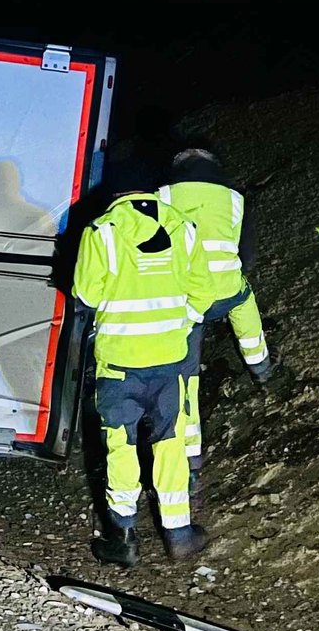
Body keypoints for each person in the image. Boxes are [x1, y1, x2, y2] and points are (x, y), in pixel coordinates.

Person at [72, 190, 209, 565]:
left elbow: (85, 293)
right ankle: (179, 535)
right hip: (169, 361)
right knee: (170, 444)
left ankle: (125, 539)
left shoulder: (101, 232)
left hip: (118, 365)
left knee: (121, 447)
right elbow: (203, 294)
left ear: (118, 198)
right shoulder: (183, 226)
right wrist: (178, 325)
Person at [160, 146, 275, 490]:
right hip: (226, 292)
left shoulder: (162, 196)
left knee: (185, 376)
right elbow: (248, 255)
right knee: (245, 301)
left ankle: (191, 462)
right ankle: (264, 373)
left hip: (184, 301)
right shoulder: (235, 198)